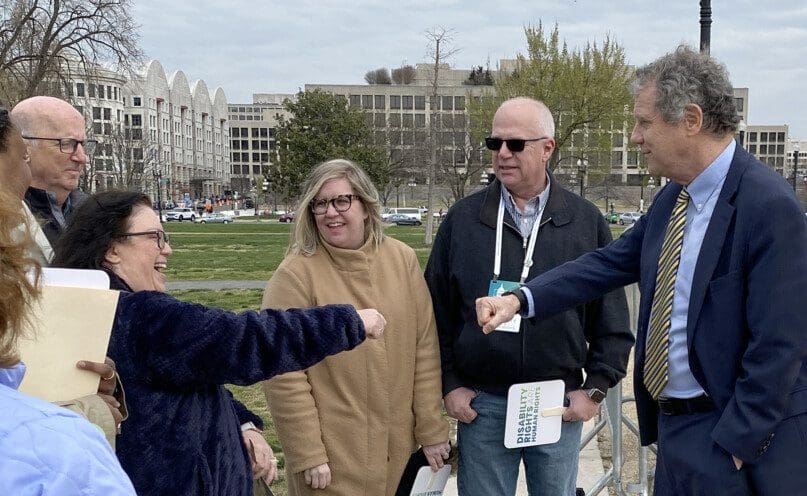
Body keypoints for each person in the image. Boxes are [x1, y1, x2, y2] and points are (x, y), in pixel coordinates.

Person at [476, 46, 807, 496]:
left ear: (691, 120)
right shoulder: (674, 199)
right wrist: (520, 299)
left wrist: (736, 444)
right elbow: (606, 264)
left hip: (729, 444)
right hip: (674, 435)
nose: (635, 137)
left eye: (645, 123)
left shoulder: (768, 207)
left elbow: (779, 345)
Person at [51, 190, 386, 496]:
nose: (167, 248)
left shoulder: (83, 310)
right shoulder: (140, 317)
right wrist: (351, 322)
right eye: (154, 237)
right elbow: (244, 339)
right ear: (112, 249)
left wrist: (243, 422)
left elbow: (193, 373)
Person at [424, 97, 633, 496]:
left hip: (555, 405)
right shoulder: (463, 220)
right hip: (482, 405)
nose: (502, 153)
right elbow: (435, 313)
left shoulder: (584, 221)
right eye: (495, 143)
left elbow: (612, 319)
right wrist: (449, 383)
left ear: (547, 148)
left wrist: (595, 388)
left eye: (515, 144)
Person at [262, 159, 449, 496]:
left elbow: (424, 350)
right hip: (331, 464)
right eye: (320, 204)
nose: (330, 212)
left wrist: (432, 429)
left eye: (341, 200)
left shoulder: (402, 260)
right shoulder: (295, 275)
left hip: (397, 456)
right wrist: (308, 452)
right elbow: (284, 373)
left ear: (365, 206)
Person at [0, 146, 135, 494]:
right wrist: (77, 416)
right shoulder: (60, 453)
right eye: (65, 142)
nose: (80, 156)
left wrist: (82, 393)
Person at [11, 96, 92, 249]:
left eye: (83, 145)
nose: (82, 158)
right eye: (66, 143)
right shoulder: (8, 222)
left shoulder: (97, 216)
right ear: (24, 147)